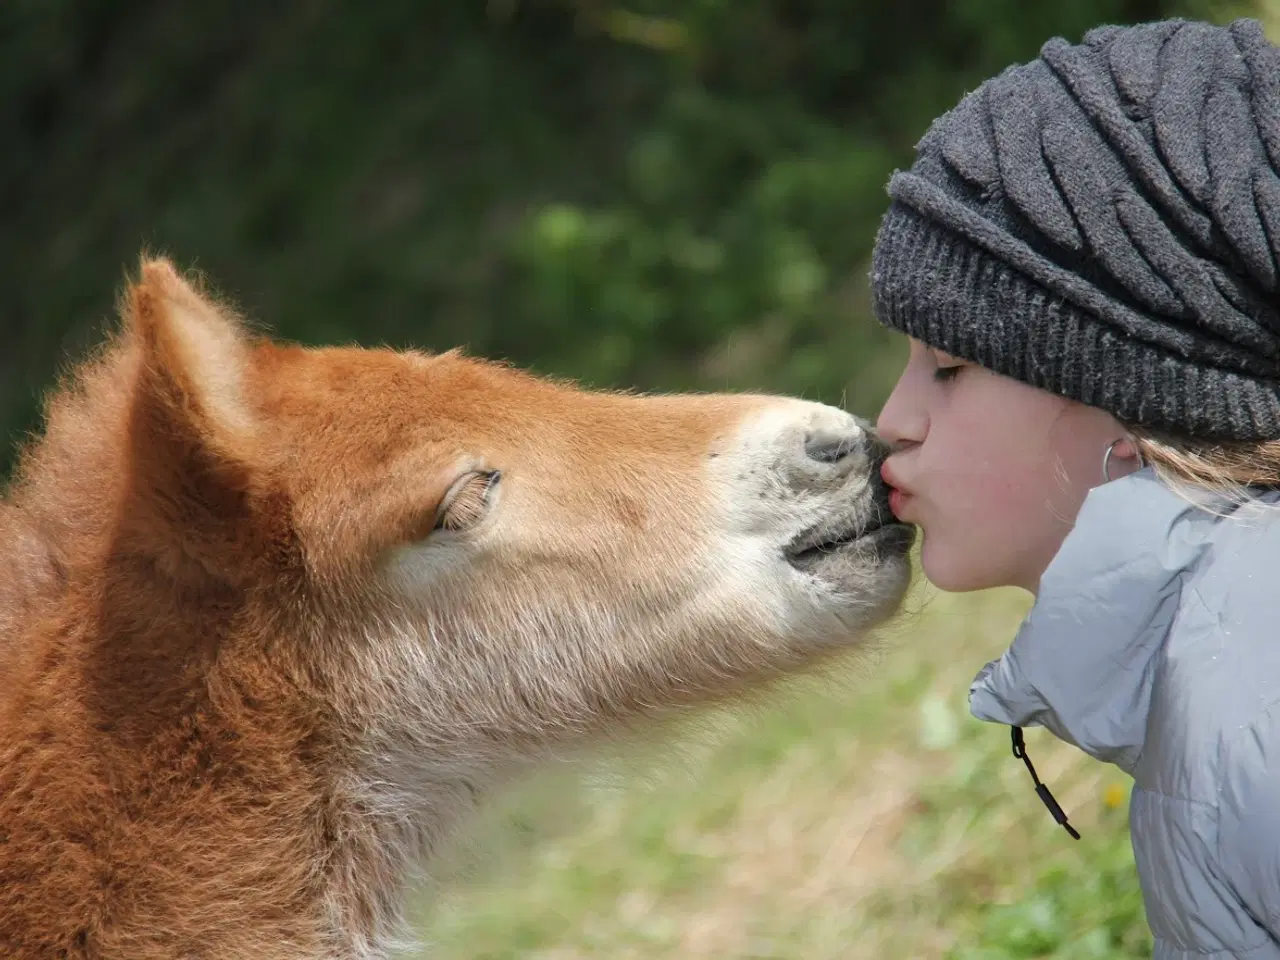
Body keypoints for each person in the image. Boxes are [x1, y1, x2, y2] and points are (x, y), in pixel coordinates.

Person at [870, 16, 1280, 958]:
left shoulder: (1246, 721)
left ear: (1134, 393)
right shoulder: (1217, 666)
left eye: (948, 364)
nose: (893, 419)